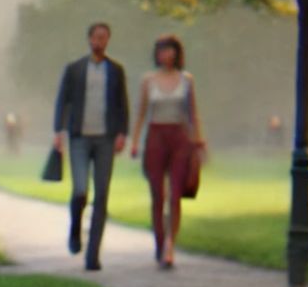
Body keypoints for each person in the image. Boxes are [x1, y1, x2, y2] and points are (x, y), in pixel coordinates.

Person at [52, 22, 130, 270]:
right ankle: (76, 228)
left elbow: (122, 104)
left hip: (106, 138)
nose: (100, 41)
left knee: (102, 195)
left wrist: (122, 133)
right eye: (96, 37)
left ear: (108, 40)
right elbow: (62, 101)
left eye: (104, 37)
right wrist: (58, 131)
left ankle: (93, 254)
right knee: (80, 190)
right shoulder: (75, 69)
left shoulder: (115, 70)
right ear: (89, 39)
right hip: (79, 138)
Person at [128, 34, 205, 270]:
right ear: (157, 54)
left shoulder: (186, 79)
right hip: (155, 137)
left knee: (175, 195)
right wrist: (135, 141)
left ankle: (171, 244)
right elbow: (142, 112)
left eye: (170, 50)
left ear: (176, 53)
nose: (166, 55)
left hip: (180, 137)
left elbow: (193, 113)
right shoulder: (148, 80)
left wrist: (198, 142)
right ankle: (159, 242)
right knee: (157, 195)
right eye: (162, 51)